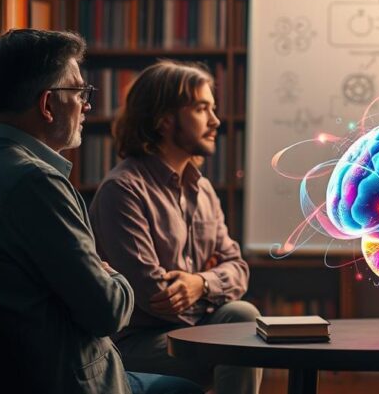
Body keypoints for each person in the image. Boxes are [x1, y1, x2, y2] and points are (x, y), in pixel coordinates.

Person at [0, 29, 200, 394]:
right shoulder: (38, 184)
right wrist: (112, 275)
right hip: (65, 381)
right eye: (79, 92)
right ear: (47, 104)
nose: (87, 105)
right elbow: (108, 312)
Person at [90, 60, 260, 394]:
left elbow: (238, 268)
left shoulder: (203, 188)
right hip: (137, 342)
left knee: (243, 314)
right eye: (201, 109)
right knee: (242, 347)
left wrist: (201, 284)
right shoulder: (123, 190)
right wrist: (214, 288)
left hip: (193, 326)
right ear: (164, 119)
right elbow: (157, 297)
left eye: (213, 108)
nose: (215, 121)